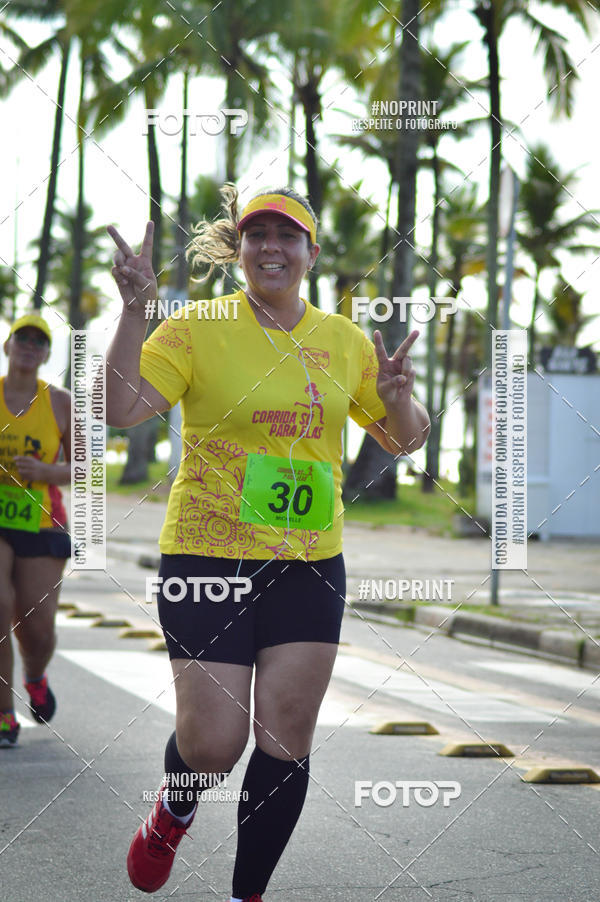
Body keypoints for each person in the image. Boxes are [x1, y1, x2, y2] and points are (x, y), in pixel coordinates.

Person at [106, 185, 430, 901]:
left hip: (310, 564)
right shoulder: (194, 328)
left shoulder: (346, 341)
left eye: (288, 236)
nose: (271, 247)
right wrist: (135, 313)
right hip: (207, 559)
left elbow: (404, 438)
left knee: (286, 736)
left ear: (312, 254)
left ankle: (245, 895)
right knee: (214, 747)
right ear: (239, 249)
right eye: (257, 235)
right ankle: (175, 808)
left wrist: (401, 397)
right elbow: (121, 408)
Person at [0, 314, 71, 748]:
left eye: (39, 341)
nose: (29, 345)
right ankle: (4, 713)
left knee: (36, 627)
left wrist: (47, 470)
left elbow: (88, 464)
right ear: (8, 346)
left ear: (46, 354)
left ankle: (35, 676)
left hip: (40, 519)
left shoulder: (59, 402)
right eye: (21, 337)